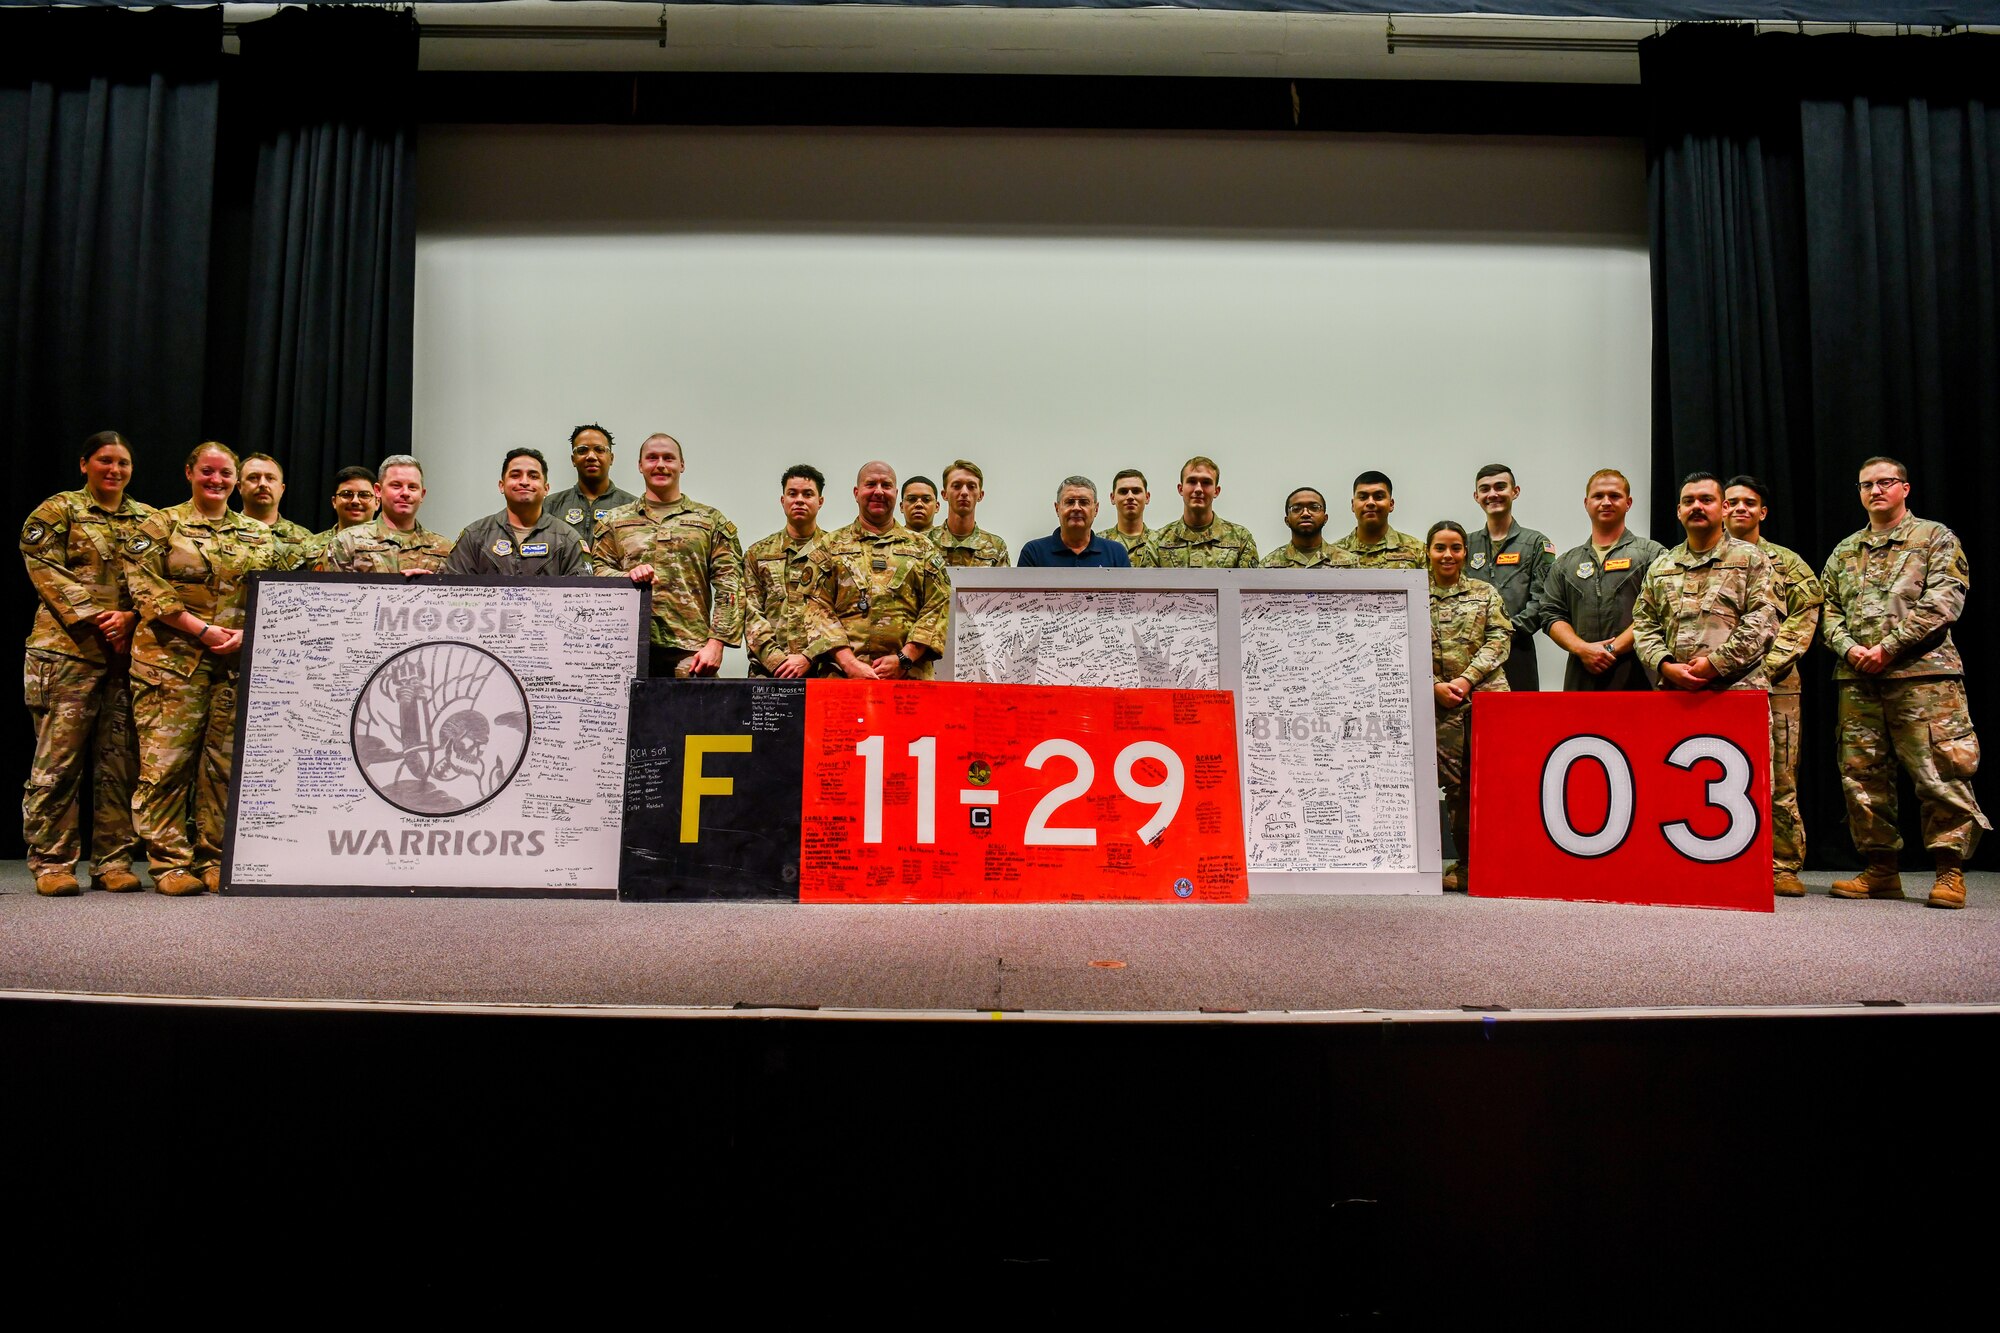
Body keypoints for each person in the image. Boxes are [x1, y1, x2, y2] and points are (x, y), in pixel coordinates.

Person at [1821, 456, 1988, 909]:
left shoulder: (1935, 538)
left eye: (1885, 482)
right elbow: (1828, 610)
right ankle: (1881, 871)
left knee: (1940, 772)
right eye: (1866, 485)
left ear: (1905, 489)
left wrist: (1889, 647)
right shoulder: (1845, 550)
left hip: (1924, 677)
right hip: (1858, 679)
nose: (1875, 491)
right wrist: (1850, 648)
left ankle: (1950, 872)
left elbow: (1944, 601)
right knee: (1862, 776)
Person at [122, 441, 288, 894]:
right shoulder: (161, 524)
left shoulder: (258, 534)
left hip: (233, 665)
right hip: (171, 664)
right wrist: (202, 631)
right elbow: (145, 588)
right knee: (167, 765)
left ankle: (215, 858)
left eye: (225, 474)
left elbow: (283, 590)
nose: (217, 480)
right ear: (190, 472)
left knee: (223, 767)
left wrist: (249, 632)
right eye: (208, 472)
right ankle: (169, 862)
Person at [20, 431, 154, 896]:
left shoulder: (150, 521)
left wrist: (133, 615)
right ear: (84, 465)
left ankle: (113, 860)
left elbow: (161, 580)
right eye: (105, 461)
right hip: (67, 651)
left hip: (125, 655)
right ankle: (52, 862)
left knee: (119, 763)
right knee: (59, 762)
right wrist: (98, 616)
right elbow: (43, 565)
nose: (114, 470)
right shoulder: (59, 511)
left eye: (123, 463)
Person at [1724, 473, 1824, 897]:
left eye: (1749, 502)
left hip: (1775, 683)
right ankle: (1723, 856)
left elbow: (1807, 612)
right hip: (1716, 685)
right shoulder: (1699, 558)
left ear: (1762, 512)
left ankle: (1783, 864)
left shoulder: (1785, 561)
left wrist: (1768, 663)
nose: (1740, 508)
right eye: (1732, 502)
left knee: (1778, 773)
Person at [591, 433, 745, 678]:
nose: (660, 464)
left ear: (681, 465)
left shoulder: (709, 521)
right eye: (652, 458)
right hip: (625, 651)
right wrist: (624, 576)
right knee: (629, 718)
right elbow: (597, 572)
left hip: (691, 654)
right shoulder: (615, 521)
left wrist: (717, 643)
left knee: (692, 717)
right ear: (640, 466)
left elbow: (731, 585)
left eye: (668, 458)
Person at [1632, 472, 1779, 697]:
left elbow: (1763, 622)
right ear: (1679, 511)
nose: (1697, 506)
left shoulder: (1752, 559)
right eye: (1689, 501)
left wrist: (1715, 664)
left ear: (1724, 508)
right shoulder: (1661, 566)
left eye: (1706, 500)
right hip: (1676, 694)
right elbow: (1644, 624)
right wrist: (1664, 665)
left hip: (1738, 692)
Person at [1426, 520, 1512, 892]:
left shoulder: (1484, 591)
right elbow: (1396, 641)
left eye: (1456, 548)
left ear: (1465, 552)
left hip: (1485, 698)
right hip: (1434, 704)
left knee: (1492, 782)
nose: (1448, 555)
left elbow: (1499, 638)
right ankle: (1462, 864)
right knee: (1453, 786)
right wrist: (1433, 686)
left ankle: (1497, 862)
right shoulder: (1413, 593)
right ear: (1427, 551)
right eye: (1440, 547)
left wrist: (1464, 680)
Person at [821, 461, 951, 680]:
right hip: (841, 677)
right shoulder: (830, 546)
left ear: (896, 492)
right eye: (871, 484)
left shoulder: (922, 548)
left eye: (886, 485)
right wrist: (849, 663)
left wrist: (904, 658)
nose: (878, 491)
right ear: (856, 492)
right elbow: (817, 607)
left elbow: (938, 604)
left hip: (909, 676)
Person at [1540, 468, 1665, 692]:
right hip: (1582, 677)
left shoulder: (1651, 554)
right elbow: (1551, 614)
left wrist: (1611, 650)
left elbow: (1659, 611)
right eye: (1598, 496)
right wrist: (1582, 649)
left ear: (1628, 503)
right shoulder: (1565, 564)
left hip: (1638, 676)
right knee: (1581, 728)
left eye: (1614, 496)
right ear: (1586, 503)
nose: (1606, 502)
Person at [743, 465, 848, 678]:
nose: (799, 500)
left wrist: (809, 656)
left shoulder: (838, 553)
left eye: (808, 494)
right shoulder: (758, 554)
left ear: (820, 501)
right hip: (769, 672)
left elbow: (844, 616)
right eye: (792, 493)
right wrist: (776, 661)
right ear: (783, 500)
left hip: (824, 670)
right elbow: (749, 612)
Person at [1465, 463, 1557, 691]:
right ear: (1476, 496)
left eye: (1500, 487)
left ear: (1515, 491)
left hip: (1517, 650)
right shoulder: (1465, 544)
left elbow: (1542, 601)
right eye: (1485, 489)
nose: (1492, 494)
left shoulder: (1537, 543)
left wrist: (1502, 634)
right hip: (1470, 654)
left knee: (1521, 722)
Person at [440, 448, 593, 577]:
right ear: (501, 485)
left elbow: (581, 599)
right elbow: (453, 596)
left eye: (533, 476)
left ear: (546, 488)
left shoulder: (568, 540)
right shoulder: (474, 537)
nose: (524, 481)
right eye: (515, 475)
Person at [318, 455, 456, 574]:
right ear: (378, 490)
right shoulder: (347, 542)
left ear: (422, 495)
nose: (405, 493)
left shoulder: (444, 549)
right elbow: (327, 597)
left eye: (412, 487)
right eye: (396, 486)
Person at [1132, 456, 1258, 567]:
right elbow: (1148, 591)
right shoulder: (1157, 542)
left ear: (1216, 491)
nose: (1198, 489)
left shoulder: (1240, 539)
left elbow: (1248, 589)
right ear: (1180, 489)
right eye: (1192, 482)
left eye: (1206, 483)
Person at [546, 423, 637, 545]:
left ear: (611, 458)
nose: (591, 456)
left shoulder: (632, 506)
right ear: (573, 460)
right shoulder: (550, 505)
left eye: (599, 450)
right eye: (582, 450)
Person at [1016, 477, 1132, 568]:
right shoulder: (1034, 553)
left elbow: (1129, 598)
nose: (1076, 508)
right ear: (1057, 508)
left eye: (1084, 502)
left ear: (1096, 509)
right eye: (1070, 502)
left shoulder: (1116, 553)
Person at [1330, 471, 1426, 568]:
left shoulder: (1418, 551)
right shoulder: (1332, 554)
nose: (1370, 502)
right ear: (1353, 505)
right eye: (1363, 497)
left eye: (1379, 497)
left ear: (1391, 505)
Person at [929, 459, 1010, 567]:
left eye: (971, 486)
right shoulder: (925, 542)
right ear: (944, 494)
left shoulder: (996, 548)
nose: (964, 492)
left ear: (980, 495)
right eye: (956, 486)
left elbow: (1003, 583)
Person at [295, 466, 378, 569]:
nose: (355, 501)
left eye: (364, 495)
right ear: (334, 502)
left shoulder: (394, 546)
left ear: (377, 502)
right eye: (346, 494)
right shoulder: (308, 545)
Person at [237, 452, 313, 561]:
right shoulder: (224, 534)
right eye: (253, 477)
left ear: (282, 489)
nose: (263, 484)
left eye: (270, 478)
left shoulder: (305, 539)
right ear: (239, 487)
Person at [1261, 487, 1358, 568]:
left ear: (1325, 518)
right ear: (1287, 521)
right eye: (1296, 509)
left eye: (1314, 507)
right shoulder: (1268, 565)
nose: (1305, 513)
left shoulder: (1349, 562)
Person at [1096, 469, 1155, 557]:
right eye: (1123, 492)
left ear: (1147, 497)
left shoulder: (1159, 543)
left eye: (1136, 491)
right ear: (1112, 498)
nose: (1130, 496)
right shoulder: (1098, 543)